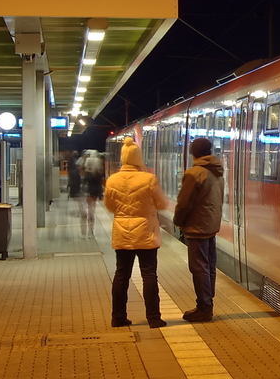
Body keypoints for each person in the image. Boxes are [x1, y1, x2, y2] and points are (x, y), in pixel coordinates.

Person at [104, 136, 169, 328]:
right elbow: (162, 204)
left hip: (122, 232)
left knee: (121, 274)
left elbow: (109, 206)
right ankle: (154, 318)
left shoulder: (112, 180)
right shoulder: (149, 179)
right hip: (146, 232)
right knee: (149, 274)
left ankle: (118, 317)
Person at [173, 137, 224, 323]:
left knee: (199, 267)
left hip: (197, 227)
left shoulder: (194, 173)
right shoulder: (218, 172)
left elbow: (184, 203)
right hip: (211, 225)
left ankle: (204, 308)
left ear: (193, 152)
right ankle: (208, 303)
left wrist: (178, 221)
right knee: (209, 266)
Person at [82, 150, 104, 236]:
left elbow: (85, 177)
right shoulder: (98, 170)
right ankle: (92, 220)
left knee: (89, 202)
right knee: (93, 203)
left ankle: (89, 212)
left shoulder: (88, 169)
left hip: (89, 187)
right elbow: (100, 181)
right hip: (96, 188)